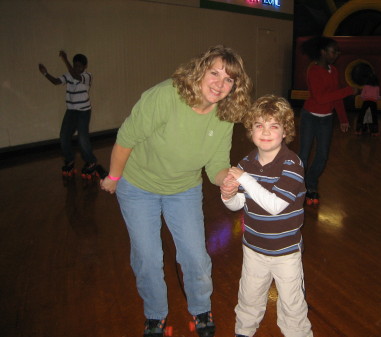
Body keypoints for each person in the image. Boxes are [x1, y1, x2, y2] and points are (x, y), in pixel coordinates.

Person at [100, 45, 252, 337]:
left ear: (236, 87)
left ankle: (200, 308)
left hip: (183, 188)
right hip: (138, 186)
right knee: (147, 255)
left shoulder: (225, 114)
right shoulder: (165, 96)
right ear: (200, 71)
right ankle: (155, 315)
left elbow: (216, 165)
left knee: (195, 254)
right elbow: (126, 139)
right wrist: (114, 176)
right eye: (215, 73)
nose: (220, 83)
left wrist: (228, 180)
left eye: (229, 79)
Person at [221, 95, 313, 337]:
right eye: (259, 125)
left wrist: (244, 179)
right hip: (253, 248)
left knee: (292, 303)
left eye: (274, 126)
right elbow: (239, 204)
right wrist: (228, 195)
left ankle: (298, 334)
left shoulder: (292, 164)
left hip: (286, 252)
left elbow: (274, 205)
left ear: (285, 132)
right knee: (248, 296)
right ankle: (244, 331)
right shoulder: (246, 163)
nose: (266, 131)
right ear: (250, 130)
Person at [298, 36, 357, 206]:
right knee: (303, 155)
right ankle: (299, 188)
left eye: (338, 51)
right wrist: (347, 91)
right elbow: (321, 98)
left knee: (322, 156)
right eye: (334, 51)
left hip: (326, 119)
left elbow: (336, 97)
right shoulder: (314, 71)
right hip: (310, 117)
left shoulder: (334, 70)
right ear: (323, 52)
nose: (336, 54)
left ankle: (311, 183)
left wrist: (343, 119)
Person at [38, 51, 98, 177]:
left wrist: (65, 59)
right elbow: (55, 81)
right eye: (75, 65)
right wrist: (45, 73)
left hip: (83, 111)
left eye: (79, 66)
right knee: (64, 136)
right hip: (71, 110)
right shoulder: (69, 75)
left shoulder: (87, 76)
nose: (77, 68)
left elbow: (76, 76)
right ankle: (69, 160)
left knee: (82, 138)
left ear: (85, 66)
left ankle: (91, 162)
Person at [355, 72, 381, 136]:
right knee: (374, 116)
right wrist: (378, 98)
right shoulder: (377, 87)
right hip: (373, 103)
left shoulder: (365, 86)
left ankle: (358, 130)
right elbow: (377, 97)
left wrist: (364, 98)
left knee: (361, 115)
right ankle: (375, 132)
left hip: (366, 102)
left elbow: (362, 95)